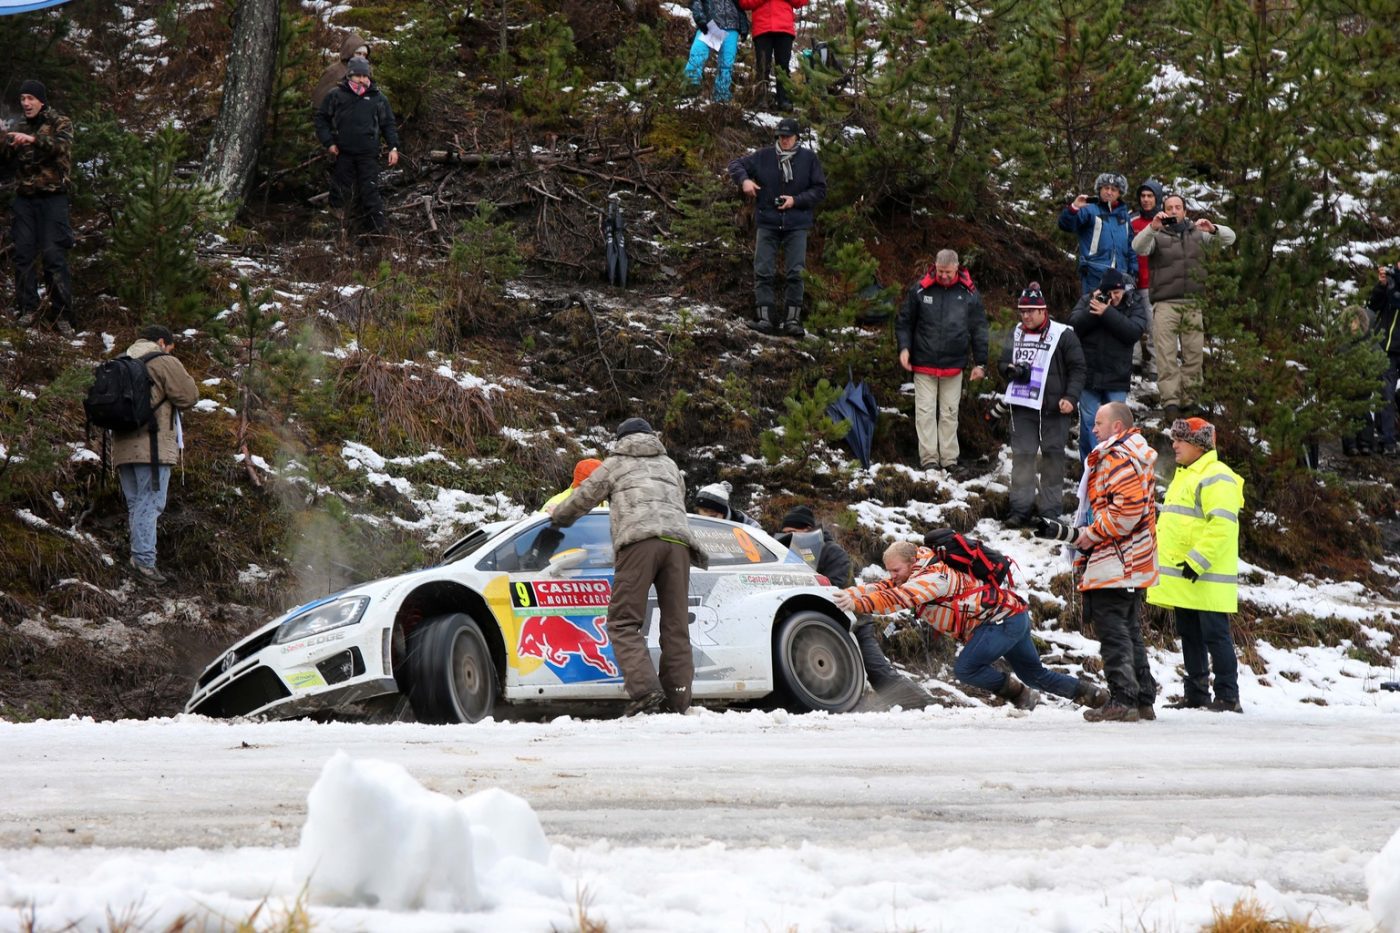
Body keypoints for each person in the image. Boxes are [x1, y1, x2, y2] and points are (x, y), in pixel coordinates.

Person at [548, 418, 709, 715]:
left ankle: (646, 690)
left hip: (639, 542)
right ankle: (677, 699)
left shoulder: (616, 463)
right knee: (676, 626)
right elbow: (678, 499)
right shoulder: (670, 466)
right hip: (678, 546)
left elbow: (585, 495)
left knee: (623, 622)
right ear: (651, 437)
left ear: (620, 440)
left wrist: (559, 517)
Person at [831, 540, 1107, 711]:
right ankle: (1093, 695)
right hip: (1012, 615)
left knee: (966, 668)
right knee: (1035, 674)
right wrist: (847, 594)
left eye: (896, 570)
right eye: (890, 570)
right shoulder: (916, 571)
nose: (893, 576)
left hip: (1000, 622)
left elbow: (898, 598)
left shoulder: (934, 577)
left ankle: (1019, 694)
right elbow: (884, 587)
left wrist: (858, 605)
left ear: (912, 561)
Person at [1051, 402, 1160, 722]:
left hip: (1117, 559)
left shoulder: (1117, 457)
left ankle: (1123, 699)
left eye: (1098, 423)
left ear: (1117, 427)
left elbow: (1127, 511)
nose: (1093, 428)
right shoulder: (1134, 456)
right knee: (1128, 629)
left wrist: (1092, 534)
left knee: (1113, 632)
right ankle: (1142, 698)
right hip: (1134, 560)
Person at [779, 505, 935, 709]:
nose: (788, 538)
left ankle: (927, 706)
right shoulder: (789, 556)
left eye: (792, 532)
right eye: (784, 534)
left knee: (878, 672)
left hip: (855, 622)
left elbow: (834, 587)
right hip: (818, 624)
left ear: (807, 529)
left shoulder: (832, 552)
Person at [1147, 417, 1246, 713]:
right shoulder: (1185, 475)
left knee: (1215, 635)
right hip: (1186, 575)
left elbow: (1223, 526)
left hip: (1207, 575)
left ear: (1199, 445)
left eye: (1180, 440)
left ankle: (1228, 697)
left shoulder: (1217, 476)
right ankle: (1196, 694)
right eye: (1174, 439)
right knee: (1190, 634)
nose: (1174, 445)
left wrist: (1197, 560)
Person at [1131, 194, 1237, 422]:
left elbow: (1231, 238)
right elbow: (1138, 247)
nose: (1173, 211)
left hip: (1193, 304)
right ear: (1164, 210)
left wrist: (1214, 228)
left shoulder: (1198, 234)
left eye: (1178, 207)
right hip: (1165, 304)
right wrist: (1152, 227)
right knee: (1166, 355)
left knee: (1193, 355)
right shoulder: (1157, 235)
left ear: (1185, 211)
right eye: (1169, 207)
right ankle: (1170, 403)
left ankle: (1190, 402)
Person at [109, 325, 200, 584]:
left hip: (122, 448)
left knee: (137, 504)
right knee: (151, 504)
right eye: (170, 347)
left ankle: (139, 557)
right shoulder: (162, 361)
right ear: (162, 342)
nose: (170, 351)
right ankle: (144, 563)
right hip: (152, 447)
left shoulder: (120, 360)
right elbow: (189, 396)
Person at [728, 117, 827, 337]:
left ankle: (792, 320)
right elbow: (735, 165)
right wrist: (744, 180)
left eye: (788, 136)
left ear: (797, 137)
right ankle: (765, 318)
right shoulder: (763, 156)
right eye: (781, 136)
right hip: (768, 222)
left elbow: (820, 190)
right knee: (762, 271)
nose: (784, 140)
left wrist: (796, 200)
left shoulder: (809, 159)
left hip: (797, 223)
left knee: (796, 273)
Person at [999, 283, 1086, 527]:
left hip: (1054, 408)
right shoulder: (1016, 333)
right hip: (1023, 406)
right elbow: (1002, 362)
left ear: (1043, 310)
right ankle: (1020, 510)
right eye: (1022, 311)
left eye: (1030, 311)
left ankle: (1049, 512)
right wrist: (1008, 369)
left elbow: (1078, 368)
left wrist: (1071, 397)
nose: (1025, 316)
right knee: (1022, 457)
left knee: (1052, 459)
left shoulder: (1063, 334)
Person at [894, 249, 989, 472]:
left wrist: (981, 363)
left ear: (957, 268)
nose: (943, 276)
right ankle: (929, 460)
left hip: (954, 365)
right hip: (924, 362)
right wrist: (904, 348)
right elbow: (904, 322)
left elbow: (979, 328)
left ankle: (949, 460)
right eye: (940, 271)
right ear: (934, 267)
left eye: (948, 272)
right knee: (925, 412)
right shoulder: (920, 289)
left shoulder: (969, 293)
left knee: (949, 413)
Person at [0, 80, 75, 335]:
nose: (25, 103)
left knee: (54, 257)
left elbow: (61, 147)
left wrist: (32, 140)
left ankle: (62, 316)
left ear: (41, 100)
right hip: (24, 200)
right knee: (23, 255)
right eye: (22, 99)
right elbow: (5, 165)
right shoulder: (19, 127)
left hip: (53, 199)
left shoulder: (59, 122)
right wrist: (5, 143)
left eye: (30, 98)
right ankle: (27, 310)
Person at [1068, 267, 1149, 461]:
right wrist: (1093, 309)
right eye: (1110, 293)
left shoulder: (1132, 303)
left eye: (1117, 292)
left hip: (1117, 376)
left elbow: (1133, 332)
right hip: (1090, 375)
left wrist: (1107, 312)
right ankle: (1091, 466)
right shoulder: (1089, 300)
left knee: (1116, 425)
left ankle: (1113, 465)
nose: (1114, 297)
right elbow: (1074, 325)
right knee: (1090, 423)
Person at [313, 57, 400, 237]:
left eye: (364, 76)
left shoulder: (377, 98)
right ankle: (335, 231)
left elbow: (388, 124)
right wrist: (329, 142)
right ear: (349, 75)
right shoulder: (336, 95)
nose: (361, 80)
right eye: (357, 76)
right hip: (343, 153)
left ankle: (378, 233)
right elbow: (321, 119)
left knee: (370, 192)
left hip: (368, 155)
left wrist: (393, 148)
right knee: (339, 192)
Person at [1057, 172, 1138, 296]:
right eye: (1106, 188)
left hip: (1120, 277)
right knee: (1093, 307)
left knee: (1117, 309)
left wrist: (1133, 272)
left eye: (1113, 189)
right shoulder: (1089, 209)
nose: (1109, 192)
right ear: (1100, 189)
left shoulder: (1124, 216)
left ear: (1119, 193)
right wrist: (1074, 208)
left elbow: (1131, 247)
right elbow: (1065, 225)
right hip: (1093, 275)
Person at [740, 0, 808, 111]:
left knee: (783, 66)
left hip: (784, 27)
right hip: (762, 28)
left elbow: (801, 2)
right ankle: (761, 98)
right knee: (762, 66)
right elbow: (744, 2)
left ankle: (784, 99)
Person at [1128, 179, 1165, 377]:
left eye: (1150, 196)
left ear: (1157, 198)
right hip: (1133, 281)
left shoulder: (1165, 222)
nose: (1146, 200)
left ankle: (1154, 366)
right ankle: (1133, 361)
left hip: (1155, 283)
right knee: (1132, 323)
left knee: (1155, 327)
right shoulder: (1131, 220)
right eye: (1142, 196)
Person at [685, 0, 749, 103]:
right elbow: (696, 1)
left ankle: (721, 97)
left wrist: (744, 25)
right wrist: (700, 18)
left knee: (727, 64)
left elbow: (739, 6)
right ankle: (690, 88)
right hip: (711, 23)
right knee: (697, 54)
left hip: (732, 26)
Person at [1367, 261, 1400, 454]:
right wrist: (1382, 286)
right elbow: (1372, 306)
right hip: (1387, 347)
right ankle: (1387, 440)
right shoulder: (1391, 280)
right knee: (1385, 393)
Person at [312, 33, 369, 109]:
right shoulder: (334, 71)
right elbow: (320, 102)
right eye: (358, 53)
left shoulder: (367, 72)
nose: (361, 57)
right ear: (350, 52)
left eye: (364, 55)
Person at [693, 481, 762, 527]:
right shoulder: (692, 522)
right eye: (705, 511)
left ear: (723, 513)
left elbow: (760, 535)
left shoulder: (741, 521)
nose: (707, 517)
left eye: (713, 514)